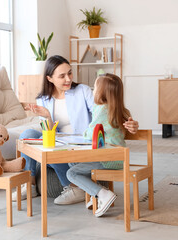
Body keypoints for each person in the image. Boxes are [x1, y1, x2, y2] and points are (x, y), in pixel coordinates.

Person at [12, 55, 139, 204]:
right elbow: (49, 132)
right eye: (62, 76)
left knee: (46, 143)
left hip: (81, 143)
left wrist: (130, 124)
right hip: (60, 141)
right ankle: (30, 184)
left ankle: (73, 187)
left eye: (70, 73)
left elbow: (104, 110)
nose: (68, 79)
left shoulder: (82, 90)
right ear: (50, 78)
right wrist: (47, 116)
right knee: (27, 135)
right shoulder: (43, 99)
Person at [66, 73, 131, 217]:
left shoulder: (102, 109)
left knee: (71, 172)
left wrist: (83, 134)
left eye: (95, 87)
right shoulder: (121, 110)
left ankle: (102, 194)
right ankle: (95, 192)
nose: (93, 90)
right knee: (72, 161)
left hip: (107, 159)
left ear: (102, 92)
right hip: (118, 158)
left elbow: (91, 133)